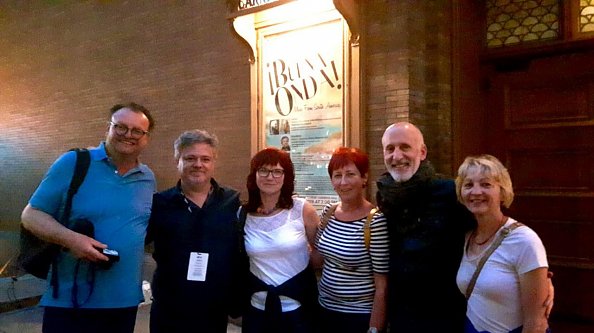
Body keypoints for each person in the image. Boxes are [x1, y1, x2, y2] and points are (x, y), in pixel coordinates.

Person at [376, 122, 553, 333]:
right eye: (390, 149)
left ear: (422, 152)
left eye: (404, 147)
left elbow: (498, 233)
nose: (397, 156)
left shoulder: (451, 194)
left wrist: (541, 282)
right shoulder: (385, 196)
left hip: (446, 320)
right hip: (401, 320)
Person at [20, 102, 156, 333]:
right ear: (109, 128)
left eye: (137, 131)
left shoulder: (147, 178)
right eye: (121, 127)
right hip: (70, 299)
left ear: (146, 138)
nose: (128, 135)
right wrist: (72, 240)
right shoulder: (74, 163)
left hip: (123, 302)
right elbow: (31, 215)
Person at [146, 130, 243, 333]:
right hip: (170, 309)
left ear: (213, 162)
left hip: (214, 310)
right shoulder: (159, 204)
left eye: (205, 159)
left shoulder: (232, 202)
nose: (198, 164)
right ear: (177, 160)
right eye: (190, 158)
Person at [455, 154, 550, 333]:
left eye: (486, 184)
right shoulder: (466, 237)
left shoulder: (524, 241)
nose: (476, 192)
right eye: (468, 185)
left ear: (502, 191)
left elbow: (536, 322)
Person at [240, 147, 320, 333]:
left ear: (286, 176)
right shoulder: (243, 214)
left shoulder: (302, 210)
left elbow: (319, 254)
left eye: (277, 171)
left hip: (297, 309)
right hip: (257, 309)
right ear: (254, 175)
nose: (270, 177)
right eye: (264, 170)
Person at [315, 147, 389, 333]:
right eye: (337, 175)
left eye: (350, 174)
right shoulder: (329, 212)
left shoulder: (375, 221)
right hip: (324, 310)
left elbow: (382, 286)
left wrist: (374, 329)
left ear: (364, 178)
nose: (343, 182)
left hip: (358, 317)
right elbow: (318, 256)